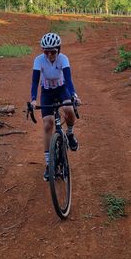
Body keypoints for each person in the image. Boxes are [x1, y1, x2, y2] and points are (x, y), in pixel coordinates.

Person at [30, 32, 80, 181]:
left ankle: (70, 134)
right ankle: (48, 164)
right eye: (46, 52)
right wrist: (33, 99)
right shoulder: (39, 61)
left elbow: (69, 80)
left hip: (62, 89)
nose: (50, 55)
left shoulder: (63, 59)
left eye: (53, 51)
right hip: (46, 92)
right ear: (43, 51)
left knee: (68, 109)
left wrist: (74, 95)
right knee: (48, 124)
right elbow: (34, 82)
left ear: (58, 49)